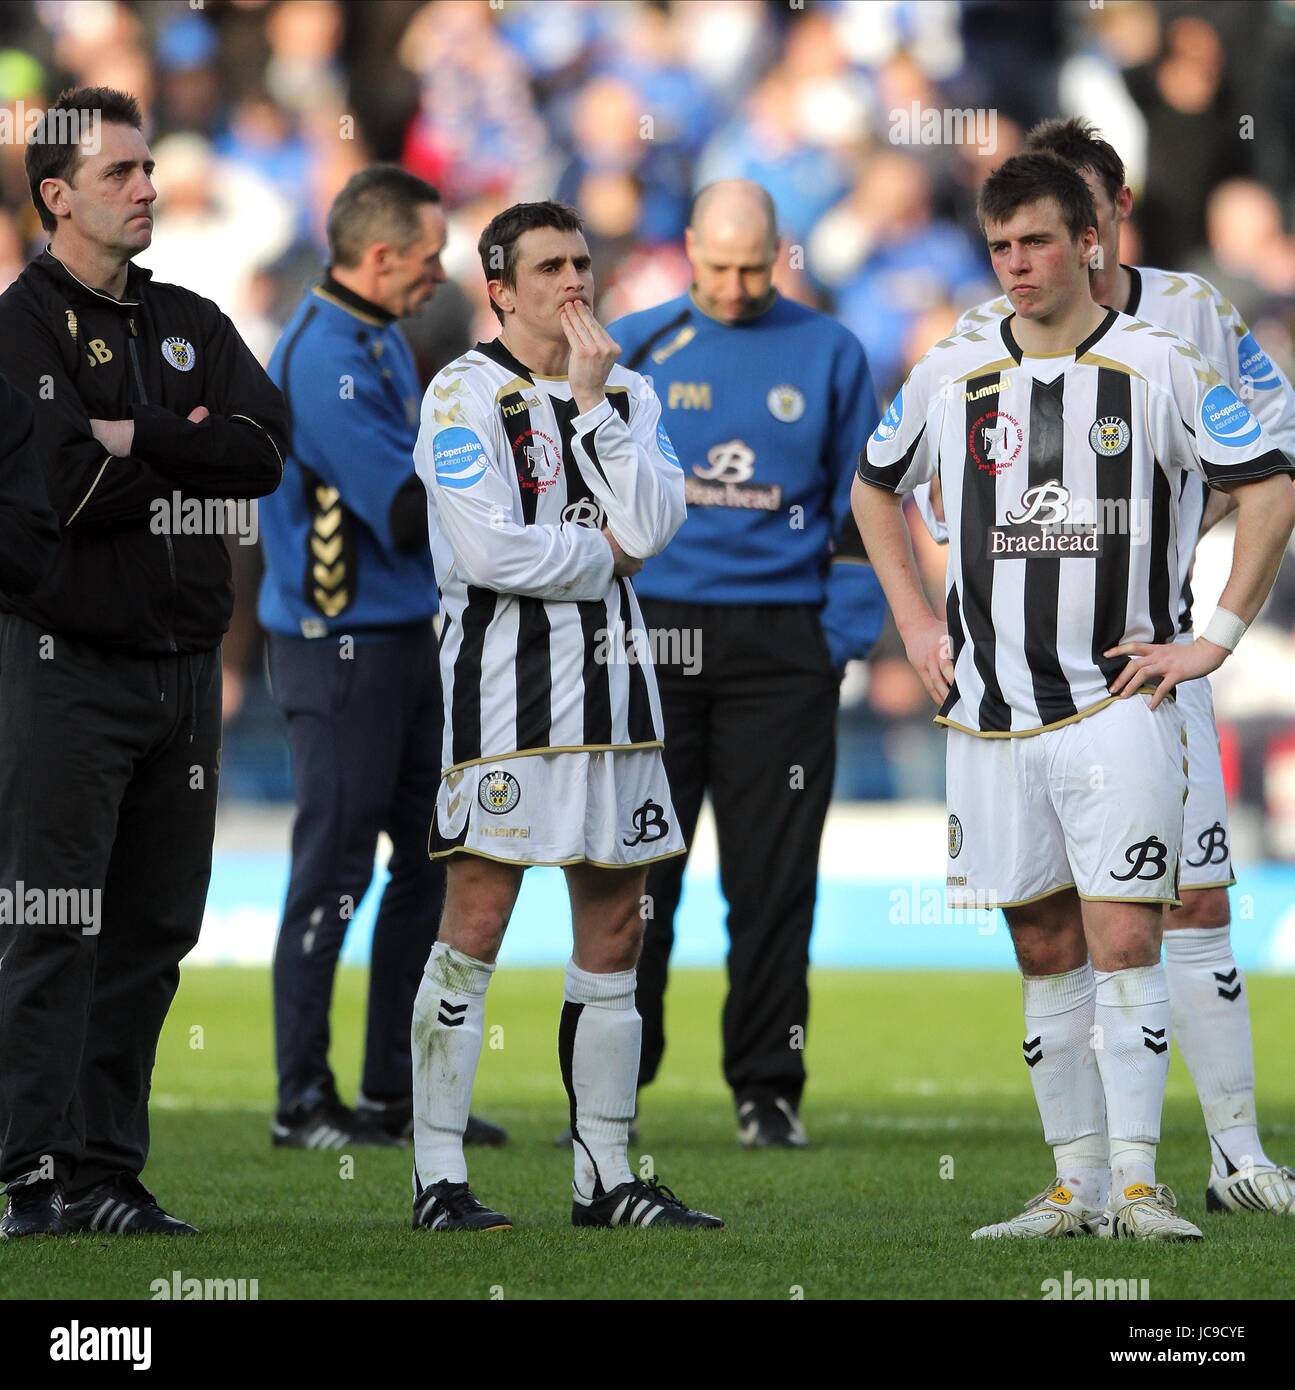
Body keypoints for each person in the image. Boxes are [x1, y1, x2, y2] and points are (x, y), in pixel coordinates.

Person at [854, 152, 1295, 1242]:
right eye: (999, 246)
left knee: (1128, 934)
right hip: (991, 713)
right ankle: (1076, 1188)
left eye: (1037, 241)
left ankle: (1145, 1186)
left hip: (1120, 702)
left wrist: (1211, 639)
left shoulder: (1158, 359)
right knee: (1041, 947)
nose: (1016, 264)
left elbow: (1270, 486)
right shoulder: (949, 367)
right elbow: (872, 487)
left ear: (1088, 242)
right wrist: (915, 622)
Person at [0, 87, 285, 1238]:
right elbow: (63, 488)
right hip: (66, 668)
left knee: (156, 928)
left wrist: (141, 435)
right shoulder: (17, 329)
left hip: (181, 673)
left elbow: (262, 452)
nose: (148, 189)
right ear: (58, 195)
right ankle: (26, 1175)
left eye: (150, 169)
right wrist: (184, 445)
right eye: (122, 174)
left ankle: (102, 1170)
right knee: (53, 917)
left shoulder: (192, 318)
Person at [409, 200, 721, 1231]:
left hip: (619, 700)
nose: (572, 282)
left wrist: (590, 412)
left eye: (581, 263)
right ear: (498, 287)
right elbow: (494, 554)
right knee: (479, 920)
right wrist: (605, 557)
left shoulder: (624, 388)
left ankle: (604, 1175)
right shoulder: (461, 393)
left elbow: (656, 526)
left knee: (618, 923)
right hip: (503, 702)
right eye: (548, 267)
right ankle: (439, 1177)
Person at [593, 179, 886, 1148]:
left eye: (752, 266)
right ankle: (607, 1096)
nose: (731, 284)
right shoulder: (630, 339)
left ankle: (768, 1090)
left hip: (779, 645)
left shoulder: (831, 350)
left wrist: (833, 639)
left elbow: (865, 504)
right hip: (651, 638)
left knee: (770, 885)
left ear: (780, 252)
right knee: (634, 880)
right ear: (686, 249)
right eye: (715, 266)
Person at [259, 166, 504, 1152]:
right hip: (341, 644)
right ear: (379, 256)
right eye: (430, 255)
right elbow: (403, 512)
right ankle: (300, 1100)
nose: (440, 273)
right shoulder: (329, 361)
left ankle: (394, 1091)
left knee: (429, 862)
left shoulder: (380, 340)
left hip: (401, 636)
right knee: (334, 868)